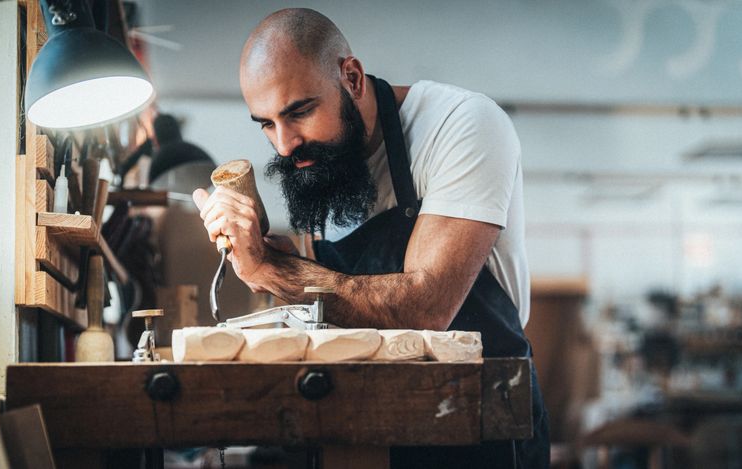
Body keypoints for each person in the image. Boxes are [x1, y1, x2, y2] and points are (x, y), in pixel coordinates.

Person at [192, 8, 548, 468]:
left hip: (481, 429)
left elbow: (426, 309)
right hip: (372, 431)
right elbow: (338, 315)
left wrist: (272, 269)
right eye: (266, 123)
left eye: (299, 111)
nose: (283, 144)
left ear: (352, 78)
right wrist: (274, 266)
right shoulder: (323, 167)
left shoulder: (460, 124)